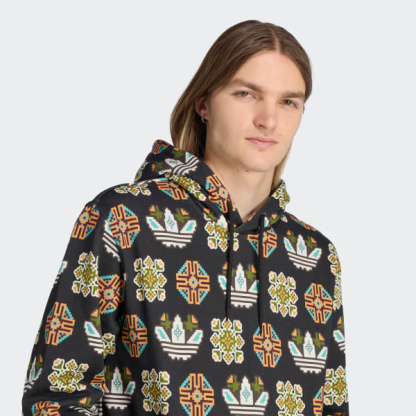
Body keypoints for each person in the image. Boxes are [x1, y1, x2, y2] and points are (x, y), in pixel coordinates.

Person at [22, 19, 349, 416]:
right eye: (246, 93)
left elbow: (333, 406)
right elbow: (57, 397)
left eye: (288, 102)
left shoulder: (315, 256)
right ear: (203, 103)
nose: (269, 120)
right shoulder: (122, 219)